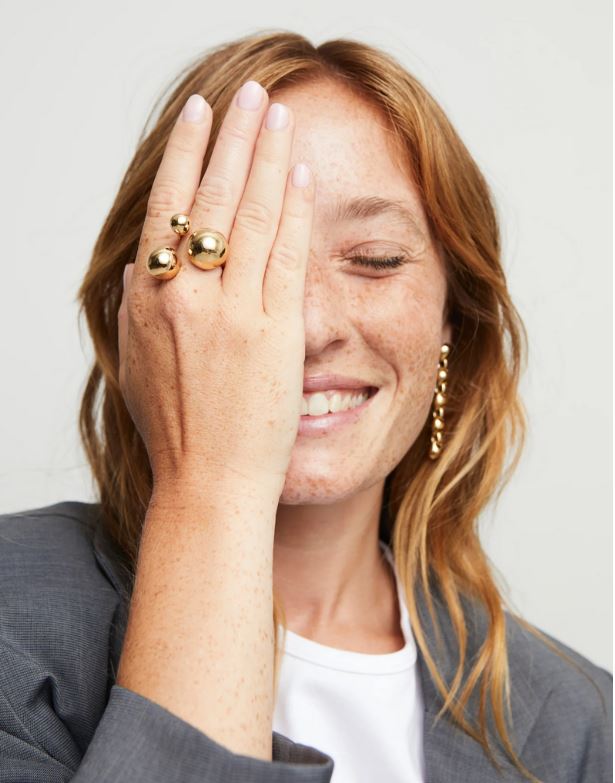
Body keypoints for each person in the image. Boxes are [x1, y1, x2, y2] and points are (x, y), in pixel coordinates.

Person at [0, 29, 611, 783]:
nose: (310, 326)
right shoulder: (14, 616)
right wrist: (214, 485)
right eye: (236, 260)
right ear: (144, 313)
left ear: (453, 318)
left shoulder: (578, 725)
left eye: (375, 260)